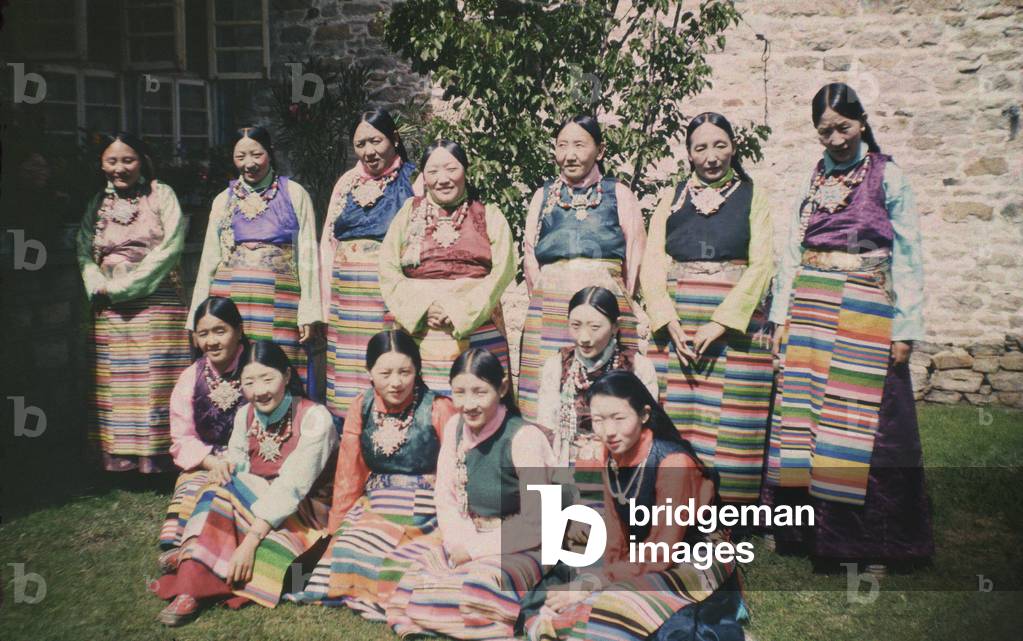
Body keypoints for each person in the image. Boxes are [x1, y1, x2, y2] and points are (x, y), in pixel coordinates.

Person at [765, 82, 933, 575]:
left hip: (865, 311)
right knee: (809, 423)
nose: (836, 139)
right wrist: (781, 315)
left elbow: (909, 256)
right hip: (813, 311)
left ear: (862, 121)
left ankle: (875, 542)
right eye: (825, 131)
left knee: (866, 427)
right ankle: (808, 534)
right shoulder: (814, 178)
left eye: (844, 127)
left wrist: (905, 328)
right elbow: (793, 250)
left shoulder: (889, 177)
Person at [520, 371, 746, 641]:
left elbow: (662, 552)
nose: (609, 431)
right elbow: (616, 534)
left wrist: (595, 584)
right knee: (573, 578)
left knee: (627, 606)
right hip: (647, 552)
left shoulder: (673, 463)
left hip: (695, 554)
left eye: (619, 418)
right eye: (599, 420)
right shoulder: (610, 454)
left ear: (645, 414)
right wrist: (599, 578)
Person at [150, 340, 338, 626]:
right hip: (253, 502)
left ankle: (196, 553)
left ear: (286, 376)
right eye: (249, 382)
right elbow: (239, 465)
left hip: (305, 510)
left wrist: (250, 542)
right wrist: (226, 468)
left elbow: (293, 486)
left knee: (282, 569)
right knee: (218, 487)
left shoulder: (314, 418)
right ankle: (190, 585)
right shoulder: (245, 415)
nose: (259, 391)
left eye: (267, 378)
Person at [641, 112, 776, 504]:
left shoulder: (755, 197)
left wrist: (721, 324)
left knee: (730, 420)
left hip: (733, 327)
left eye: (720, 145)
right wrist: (668, 321)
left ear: (734, 147)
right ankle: (673, 500)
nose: (711, 156)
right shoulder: (672, 196)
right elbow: (652, 262)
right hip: (679, 323)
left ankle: (728, 511)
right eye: (701, 148)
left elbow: (762, 265)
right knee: (676, 415)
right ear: (689, 153)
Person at [386, 349, 556, 640]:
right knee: (415, 571)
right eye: (459, 393)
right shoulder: (454, 428)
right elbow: (447, 496)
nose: (468, 404)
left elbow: (536, 522)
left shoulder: (524, 438)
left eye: (480, 392)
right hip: (470, 536)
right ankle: (428, 623)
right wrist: (456, 543)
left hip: (527, 545)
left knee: (479, 585)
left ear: (502, 388)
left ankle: (461, 621)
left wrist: (475, 550)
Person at [290, 329, 456, 617]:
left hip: (425, 509)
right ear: (369, 372)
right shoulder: (362, 405)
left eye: (405, 371)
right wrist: (335, 529)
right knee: (350, 545)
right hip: (375, 503)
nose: (395, 382)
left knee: (399, 557)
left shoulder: (439, 408)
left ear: (417, 369)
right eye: (385, 373)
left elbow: (455, 471)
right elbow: (349, 473)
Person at [518, 115, 647, 422]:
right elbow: (529, 254)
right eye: (562, 145)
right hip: (549, 310)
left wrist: (615, 301)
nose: (569, 155)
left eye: (579, 144)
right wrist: (548, 294)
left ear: (600, 150)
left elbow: (635, 254)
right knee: (548, 396)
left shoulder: (619, 194)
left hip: (605, 306)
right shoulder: (543, 195)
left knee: (610, 395)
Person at [77, 132, 191, 473]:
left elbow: (171, 246)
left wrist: (126, 286)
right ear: (101, 164)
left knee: (154, 382)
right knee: (118, 385)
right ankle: (119, 460)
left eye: (128, 160)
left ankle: (157, 461)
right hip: (109, 306)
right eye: (112, 161)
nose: (120, 168)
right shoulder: (98, 202)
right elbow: (84, 248)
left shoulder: (161, 195)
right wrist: (98, 285)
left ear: (142, 160)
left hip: (155, 300)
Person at [188, 126, 322, 391]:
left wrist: (309, 311)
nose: (249, 164)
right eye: (240, 157)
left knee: (278, 367)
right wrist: (197, 316)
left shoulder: (294, 193)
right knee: (234, 368)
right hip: (231, 301)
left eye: (256, 154)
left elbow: (308, 254)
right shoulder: (222, 200)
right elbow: (208, 260)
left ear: (270, 154)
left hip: (281, 302)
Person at [379, 140, 516, 395]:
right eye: (433, 172)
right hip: (420, 325)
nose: (442, 179)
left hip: (477, 323)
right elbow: (387, 267)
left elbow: (503, 269)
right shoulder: (409, 213)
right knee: (423, 410)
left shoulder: (488, 214)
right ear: (424, 177)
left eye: (451, 169)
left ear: (466, 170)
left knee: (480, 400)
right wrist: (422, 307)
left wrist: (459, 310)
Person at [320, 109, 420, 421]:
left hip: (386, 298)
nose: (369, 151)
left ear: (394, 139)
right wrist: (325, 305)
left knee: (389, 363)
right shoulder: (347, 183)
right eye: (360, 143)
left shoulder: (414, 180)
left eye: (376, 140)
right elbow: (328, 242)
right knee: (349, 379)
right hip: (347, 299)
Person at [158, 296, 249, 552]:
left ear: (239, 331)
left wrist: (237, 460)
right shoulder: (190, 378)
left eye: (220, 331)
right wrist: (214, 464)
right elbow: (182, 437)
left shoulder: (257, 368)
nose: (211, 341)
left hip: (252, 457)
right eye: (203, 334)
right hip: (206, 460)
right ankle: (185, 549)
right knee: (193, 494)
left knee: (233, 500)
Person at [536, 286, 658, 470]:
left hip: (623, 467)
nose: (584, 337)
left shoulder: (639, 367)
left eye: (594, 327)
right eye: (575, 326)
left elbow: (648, 429)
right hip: (567, 467)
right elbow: (546, 426)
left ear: (615, 326)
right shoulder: (556, 366)